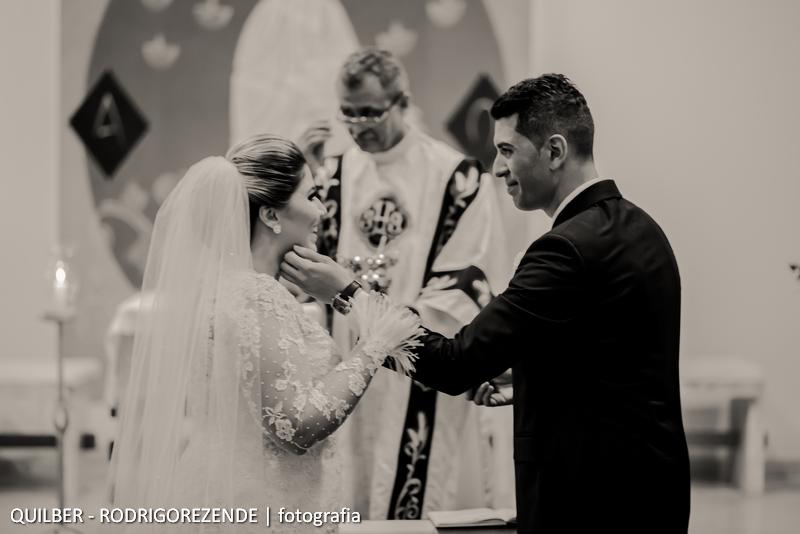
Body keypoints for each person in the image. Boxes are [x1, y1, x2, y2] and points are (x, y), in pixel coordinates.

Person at [283, 74, 691, 533]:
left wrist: (348, 294)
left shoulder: (563, 250)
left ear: (555, 151)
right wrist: (534, 377)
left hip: (589, 501)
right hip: (653, 489)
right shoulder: (641, 228)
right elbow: (616, 361)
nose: (497, 168)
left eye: (508, 150)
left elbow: (454, 365)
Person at [109, 134, 422, 533]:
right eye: (312, 196)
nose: (322, 211)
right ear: (272, 215)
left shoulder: (227, 287)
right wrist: (375, 345)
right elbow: (296, 427)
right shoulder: (256, 296)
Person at [296, 48, 510, 519]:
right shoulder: (333, 174)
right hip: (344, 359)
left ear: (403, 102)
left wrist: (386, 335)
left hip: (419, 369)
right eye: (348, 113)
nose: (358, 126)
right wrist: (306, 184)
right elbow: (305, 263)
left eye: (370, 112)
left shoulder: (457, 178)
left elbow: (465, 281)